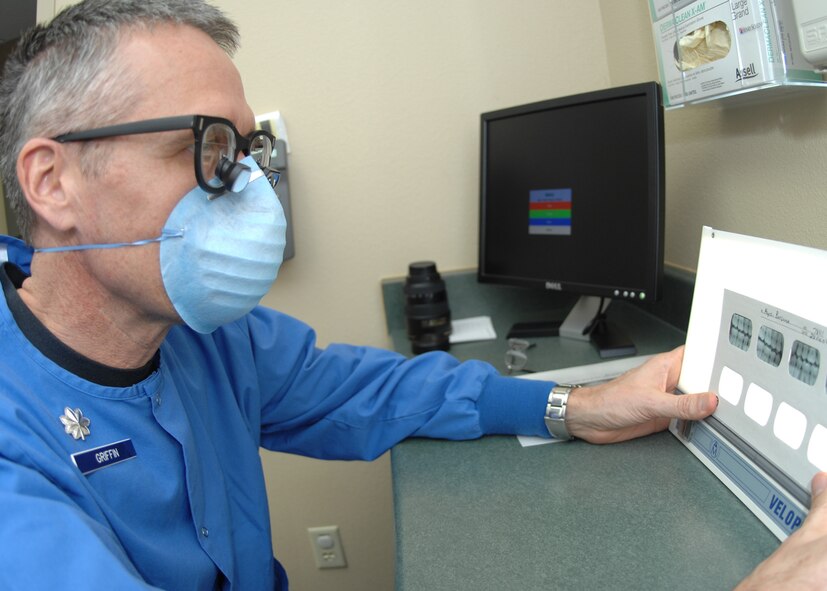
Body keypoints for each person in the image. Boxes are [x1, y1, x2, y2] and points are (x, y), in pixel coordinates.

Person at [0, 0, 822, 589]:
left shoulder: (210, 338)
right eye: (211, 149)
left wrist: (575, 405)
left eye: (248, 151)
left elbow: (374, 389)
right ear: (53, 181)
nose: (250, 190)